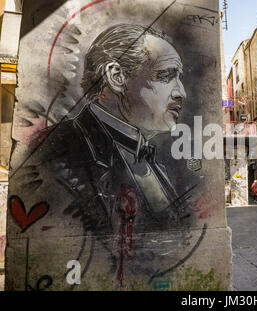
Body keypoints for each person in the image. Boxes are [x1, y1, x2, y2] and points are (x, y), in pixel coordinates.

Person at [9, 24, 195, 284]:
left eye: (180, 78)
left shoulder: (151, 154)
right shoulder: (53, 150)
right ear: (116, 76)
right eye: (166, 76)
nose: (181, 92)